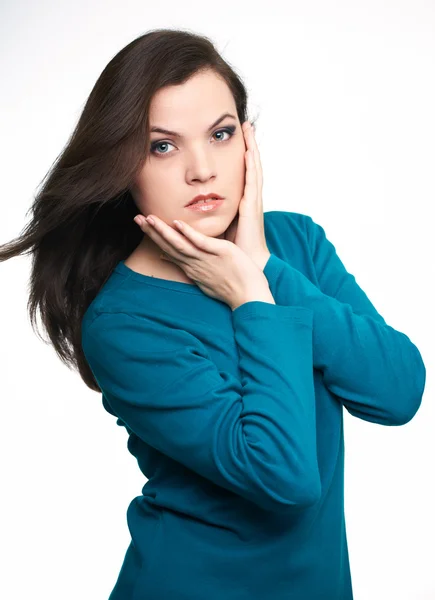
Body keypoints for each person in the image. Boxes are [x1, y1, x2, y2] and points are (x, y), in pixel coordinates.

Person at [0, 28, 426, 600]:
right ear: (125, 166)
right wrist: (251, 299)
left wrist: (264, 267)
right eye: (163, 146)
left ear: (247, 142)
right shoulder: (124, 325)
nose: (202, 170)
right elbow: (286, 478)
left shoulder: (296, 245)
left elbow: (398, 391)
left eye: (221, 135)